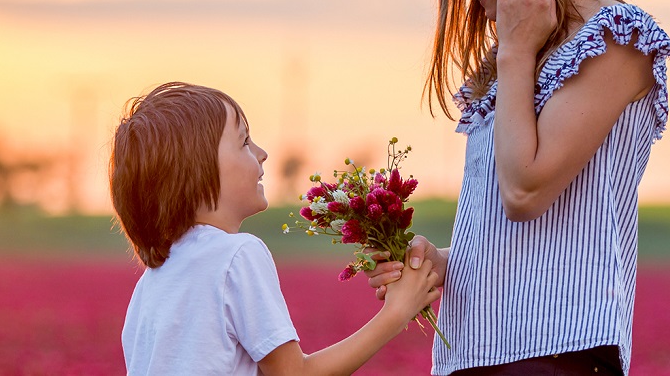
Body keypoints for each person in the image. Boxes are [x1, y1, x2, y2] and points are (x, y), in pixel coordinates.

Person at [365, 0, 670, 375]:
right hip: (481, 352)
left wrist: (515, 51)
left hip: (553, 351)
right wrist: (444, 261)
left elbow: (524, 192)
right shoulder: (520, 50)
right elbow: (524, 235)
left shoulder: (616, 40)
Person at [109, 81, 440, 375]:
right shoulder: (236, 255)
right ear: (196, 171)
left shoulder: (150, 285)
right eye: (244, 143)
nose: (262, 153)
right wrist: (397, 312)